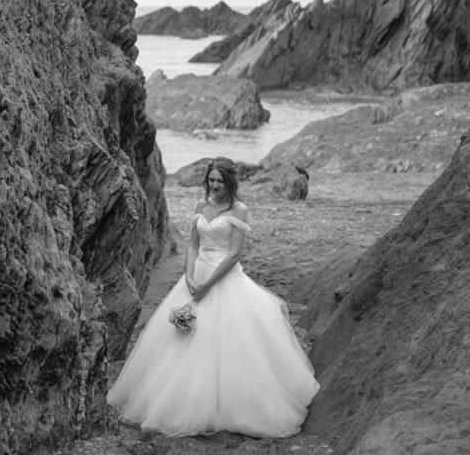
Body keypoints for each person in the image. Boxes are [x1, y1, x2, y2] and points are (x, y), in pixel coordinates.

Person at [106, 156, 319, 438]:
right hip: (196, 276)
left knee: (226, 340)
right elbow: (193, 244)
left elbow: (234, 255)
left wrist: (208, 285)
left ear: (229, 182)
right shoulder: (201, 205)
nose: (214, 185)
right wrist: (190, 276)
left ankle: (227, 406)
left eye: (220, 181)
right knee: (180, 337)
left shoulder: (240, 210)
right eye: (211, 180)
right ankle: (176, 400)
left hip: (224, 277)